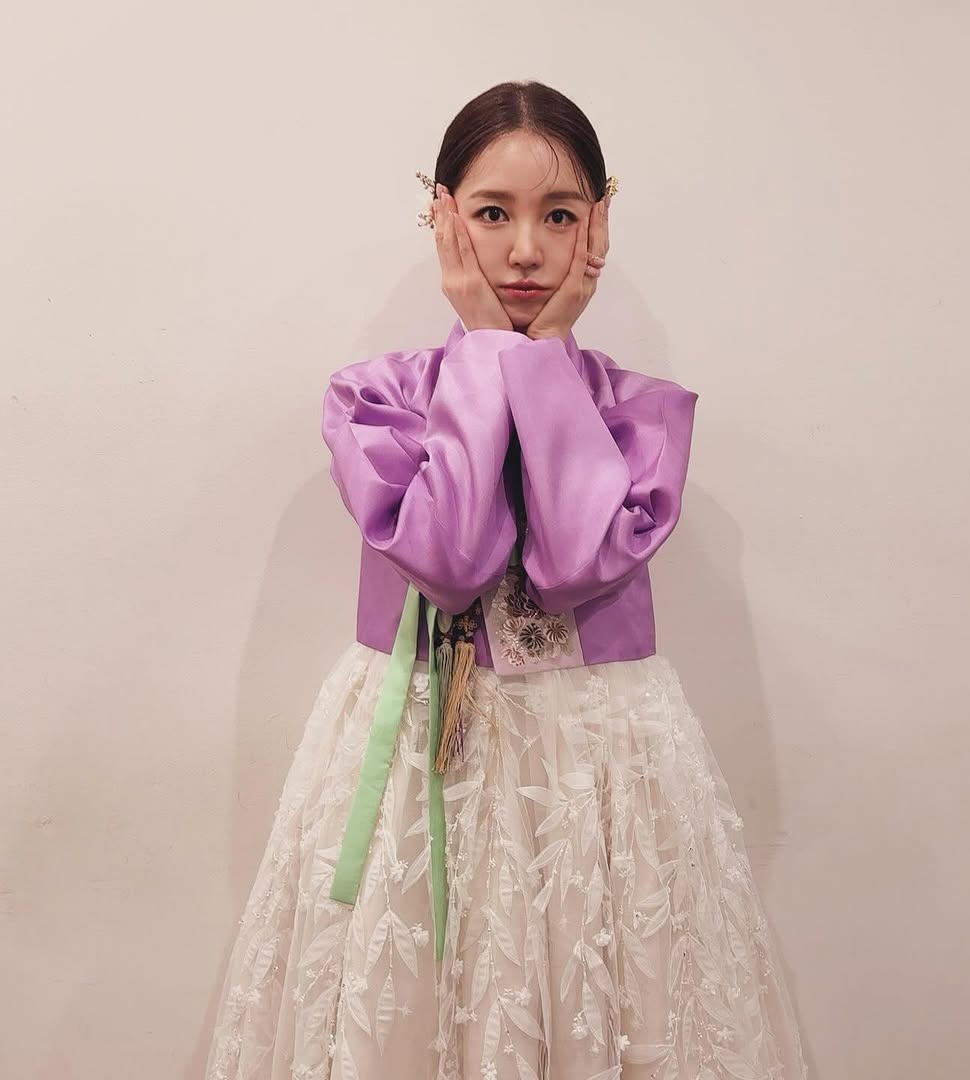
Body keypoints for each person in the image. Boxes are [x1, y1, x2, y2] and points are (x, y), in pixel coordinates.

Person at [204, 80, 807, 1080]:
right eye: (492, 213)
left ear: (597, 226)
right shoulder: (377, 400)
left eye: (559, 216)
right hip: (420, 743)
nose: (526, 250)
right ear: (443, 218)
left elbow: (573, 563)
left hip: (597, 762)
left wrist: (538, 361)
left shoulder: (642, 414)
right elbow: (447, 563)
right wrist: (488, 351)